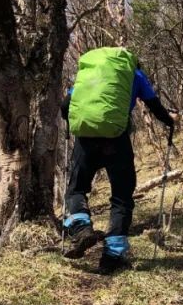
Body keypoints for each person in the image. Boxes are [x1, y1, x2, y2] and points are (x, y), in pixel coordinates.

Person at [60, 47, 176, 273]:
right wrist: (170, 121)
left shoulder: (91, 74)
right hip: (116, 139)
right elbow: (155, 106)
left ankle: (81, 228)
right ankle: (111, 257)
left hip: (85, 140)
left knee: (76, 190)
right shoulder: (135, 74)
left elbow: (65, 107)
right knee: (121, 197)